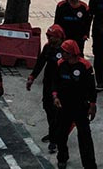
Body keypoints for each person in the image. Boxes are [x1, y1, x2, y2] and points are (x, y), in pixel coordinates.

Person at [52, 39, 97, 169]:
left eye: (65, 52)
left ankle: (89, 165)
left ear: (72, 53)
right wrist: (55, 96)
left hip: (80, 107)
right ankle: (62, 158)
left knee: (85, 137)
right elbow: (55, 82)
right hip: (63, 106)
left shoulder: (85, 66)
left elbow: (91, 88)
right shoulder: (61, 64)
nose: (62, 54)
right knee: (61, 134)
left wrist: (92, 105)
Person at [27, 24, 65, 153]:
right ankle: (53, 132)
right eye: (48, 36)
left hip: (61, 86)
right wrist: (32, 77)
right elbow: (40, 62)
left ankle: (55, 140)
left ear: (59, 37)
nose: (49, 39)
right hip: (48, 84)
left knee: (56, 112)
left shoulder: (65, 50)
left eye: (52, 37)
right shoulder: (48, 47)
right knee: (48, 108)